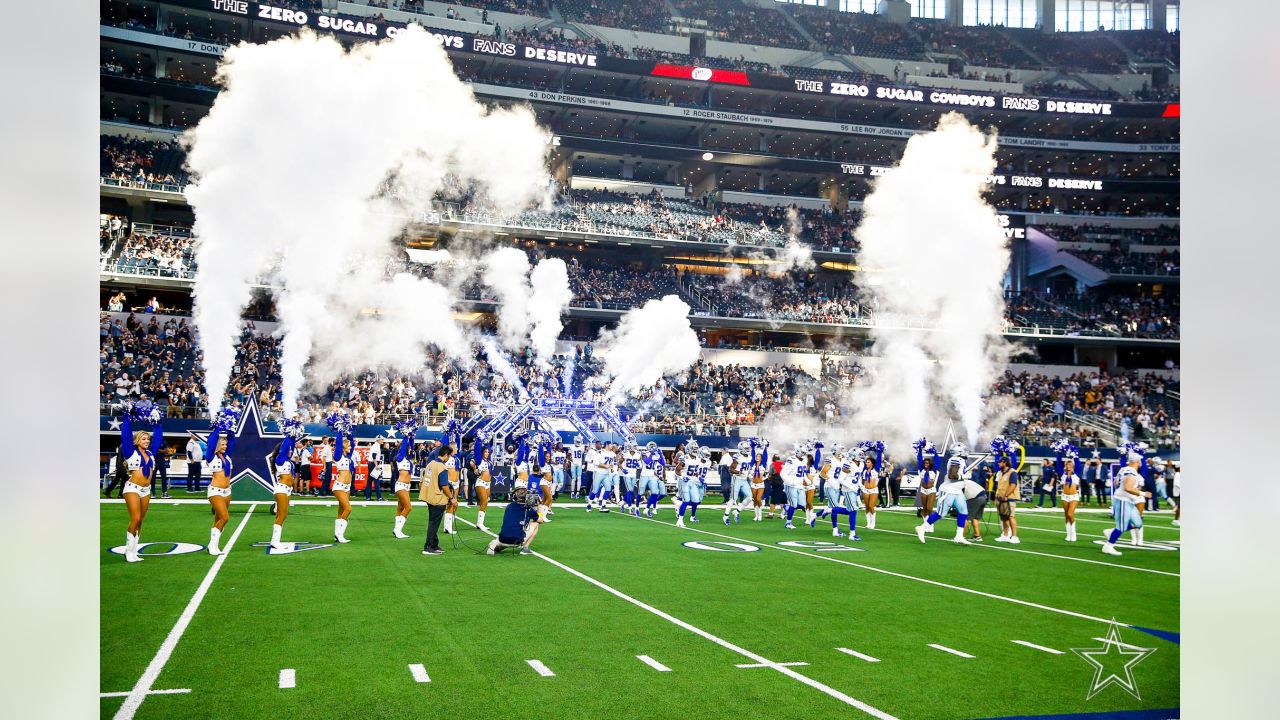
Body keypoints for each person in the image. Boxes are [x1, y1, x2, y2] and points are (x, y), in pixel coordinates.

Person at [119, 402, 164, 562]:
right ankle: (127, 551)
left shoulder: (151, 453)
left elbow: (159, 436)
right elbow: (125, 434)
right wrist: (127, 418)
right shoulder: (130, 452)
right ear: (137, 440)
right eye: (143, 439)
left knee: (141, 521)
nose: (147, 441)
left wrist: (157, 422)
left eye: (148, 439)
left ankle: (133, 551)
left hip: (146, 490)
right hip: (132, 488)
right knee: (135, 518)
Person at [1100, 452, 1151, 556]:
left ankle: (1111, 532)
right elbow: (1127, 488)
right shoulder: (1131, 473)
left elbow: (1115, 483)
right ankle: (1108, 546)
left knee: (1138, 523)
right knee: (1121, 526)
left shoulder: (1123, 469)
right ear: (1137, 461)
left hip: (1127, 500)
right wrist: (1143, 493)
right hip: (1123, 500)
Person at [915, 456, 973, 545]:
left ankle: (959, 536)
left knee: (963, 512)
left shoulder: (960, 460)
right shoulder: (956, 459)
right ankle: (922, 528)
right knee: (941, 513)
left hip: (957, 490)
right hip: (948, 490)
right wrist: (965, 476)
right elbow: (952, 475)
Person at [268, 419, 307, 550]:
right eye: (288, 451)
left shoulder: (288, 462)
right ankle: (275, 540)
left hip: (287, 490)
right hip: (281, 489)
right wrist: (289, 434)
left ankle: (276, 540)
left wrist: (293, 435)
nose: (291, 451)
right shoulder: (280, 460)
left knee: (283, 514)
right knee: (282, 515)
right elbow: (285, 447)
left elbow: (289, 446)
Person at [205, 409, 238, 556]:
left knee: (218, 519)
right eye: (222, 444)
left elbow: (232, 439)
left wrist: (230, 425)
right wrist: (219, 425)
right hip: (215, 491)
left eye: (225, 445)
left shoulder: (228, 456)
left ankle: (214, 545)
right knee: (225, 517)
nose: (224, 446)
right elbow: (212, 440)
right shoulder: (211, 456)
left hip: (227, 491)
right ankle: (212, 545)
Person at [419, 443, 455, 556]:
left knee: (432, 521)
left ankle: (434, 544)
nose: (449, 458)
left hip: (429, 496)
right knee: (434, 523)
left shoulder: (431, 464)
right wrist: (452, 497)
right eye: (449, 456)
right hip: (438, 498)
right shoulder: (442, 467)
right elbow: (444, 485)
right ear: (445, 454)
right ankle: (428, 546)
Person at [485, 486, 540, 555]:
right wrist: (538, 507)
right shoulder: (528, 509)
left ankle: (496, 544)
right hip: (517, 541)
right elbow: (540, 520)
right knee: (536, 524)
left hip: (502, 539)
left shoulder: (509, 506)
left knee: (509, 532)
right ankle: (525, 548)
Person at [327, 414, 355, 544]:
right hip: (339, 486)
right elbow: (338, 444)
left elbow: (352, 443)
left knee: (341, 510)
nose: (350, 448)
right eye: (348, 446)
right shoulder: (338, 455)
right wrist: (339, 431)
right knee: (348, 509)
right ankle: (339, 534)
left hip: (347, 487)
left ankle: (336, 534)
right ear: (344, 447)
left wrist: (349, 432)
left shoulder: (348, 456)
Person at [824, 445, 861, 539]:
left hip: (845, 488)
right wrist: (829, 480)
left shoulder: (849, 462)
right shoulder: (847, 464)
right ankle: (851, 534)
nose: (861, 456)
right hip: (844, 489)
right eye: (859, 454)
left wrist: (862, 487)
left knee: (849, 511)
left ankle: (828, 510)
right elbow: (840, 478)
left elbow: (857, 478)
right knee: (853, 510)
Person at [391, 421, 420, 539]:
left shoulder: (407, 460)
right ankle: (397, 530)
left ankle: (397, 530)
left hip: (406, 486)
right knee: (408, 507)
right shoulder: (400, 458)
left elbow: (411, 448)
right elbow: (404, 447)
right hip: (401, 485)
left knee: (400, 508)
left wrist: (412, 436)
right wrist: (405, 436)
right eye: (407, 448)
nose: (409, 450)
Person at [675, 447, 711, 528]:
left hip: (692, 482)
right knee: (686, 500)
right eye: (693, 449)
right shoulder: (684, 458)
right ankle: (680, 521)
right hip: (684, 481)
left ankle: (679, 504)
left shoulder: (698, 459)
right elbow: (677, 470)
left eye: (695, 449)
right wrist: (682, 477)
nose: (695, 451)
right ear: (689, 449)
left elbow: (696, 472)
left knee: (696, 501)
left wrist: (700, 478)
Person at [1054, 442, 1082, 542]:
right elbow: (1058, 462)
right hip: (1065, 496)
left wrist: (1075, 454)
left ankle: (1074, 534)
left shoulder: (1077, 472)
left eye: (1070, 464)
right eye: (1067, 464)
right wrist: (1059, 452)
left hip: (1074, 496)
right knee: (1066, 515)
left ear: (1073, 466)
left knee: (1070, 514)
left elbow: (1078, 462)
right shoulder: (1062, 473)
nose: (1068, 465)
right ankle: (1068, 534)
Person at [722, 440, 752, 525]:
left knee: (750, 497)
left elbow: (748, 469)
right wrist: (738, 472)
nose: (748, 449)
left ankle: (737, 511)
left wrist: (750, 474)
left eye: (748, 448)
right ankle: (725, 516)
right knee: (733, 499)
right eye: (746, 448)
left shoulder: (750, 457)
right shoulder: (738, 457)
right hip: (737, 479)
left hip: (744, 480)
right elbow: (730, 469)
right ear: (742, 449)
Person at [994, 455, 1022, 544]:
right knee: (1003, 517)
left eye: (1000, 462)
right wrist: (996, 497)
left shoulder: (1012, 472)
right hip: (1000, 497)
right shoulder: (999, 473)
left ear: (1004, 463)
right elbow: (998, 486)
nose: (998, 463)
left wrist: (1006, 495)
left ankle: (1014, 536)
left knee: (1011, 516)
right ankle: (1005, 535)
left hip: (1009, 498)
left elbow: (1013, 485)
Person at [856, 444, 883, 530]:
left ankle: (873, 523)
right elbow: (863, 480)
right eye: (866, 462)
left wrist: (879, 450)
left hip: (874, 490)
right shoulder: (864, 471)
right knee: (867, 507)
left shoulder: (876, 469)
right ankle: (868, 523)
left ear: (872, 463)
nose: (866, 463)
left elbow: (878, 460)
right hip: (866, 490)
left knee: (871, 506)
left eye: (868, 462)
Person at [638, 440, 666, 518]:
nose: (653, 448)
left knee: (662, 493)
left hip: (657, 477)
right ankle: (649, 508)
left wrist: (660, 454)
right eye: (651, 447)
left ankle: (651, 505)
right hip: (651, 476)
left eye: (654, 446)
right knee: (652, 493)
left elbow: (663, 464)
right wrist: (651, 454)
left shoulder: (657, 455)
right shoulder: (645, 453)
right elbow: (647, 462)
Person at [472, 442, 493, 532]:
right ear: (482, 453)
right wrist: (479, 440)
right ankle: (480, 524)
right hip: (481, 483)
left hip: (488, 484)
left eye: (488, 452)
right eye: (485, 452)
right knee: (484, 501)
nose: (487, 453)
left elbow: (489, 448)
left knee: (485, 503)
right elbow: (477, 450)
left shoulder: (489, 461)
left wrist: (487, 441)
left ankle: (480, 523)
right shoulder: (479, 460)